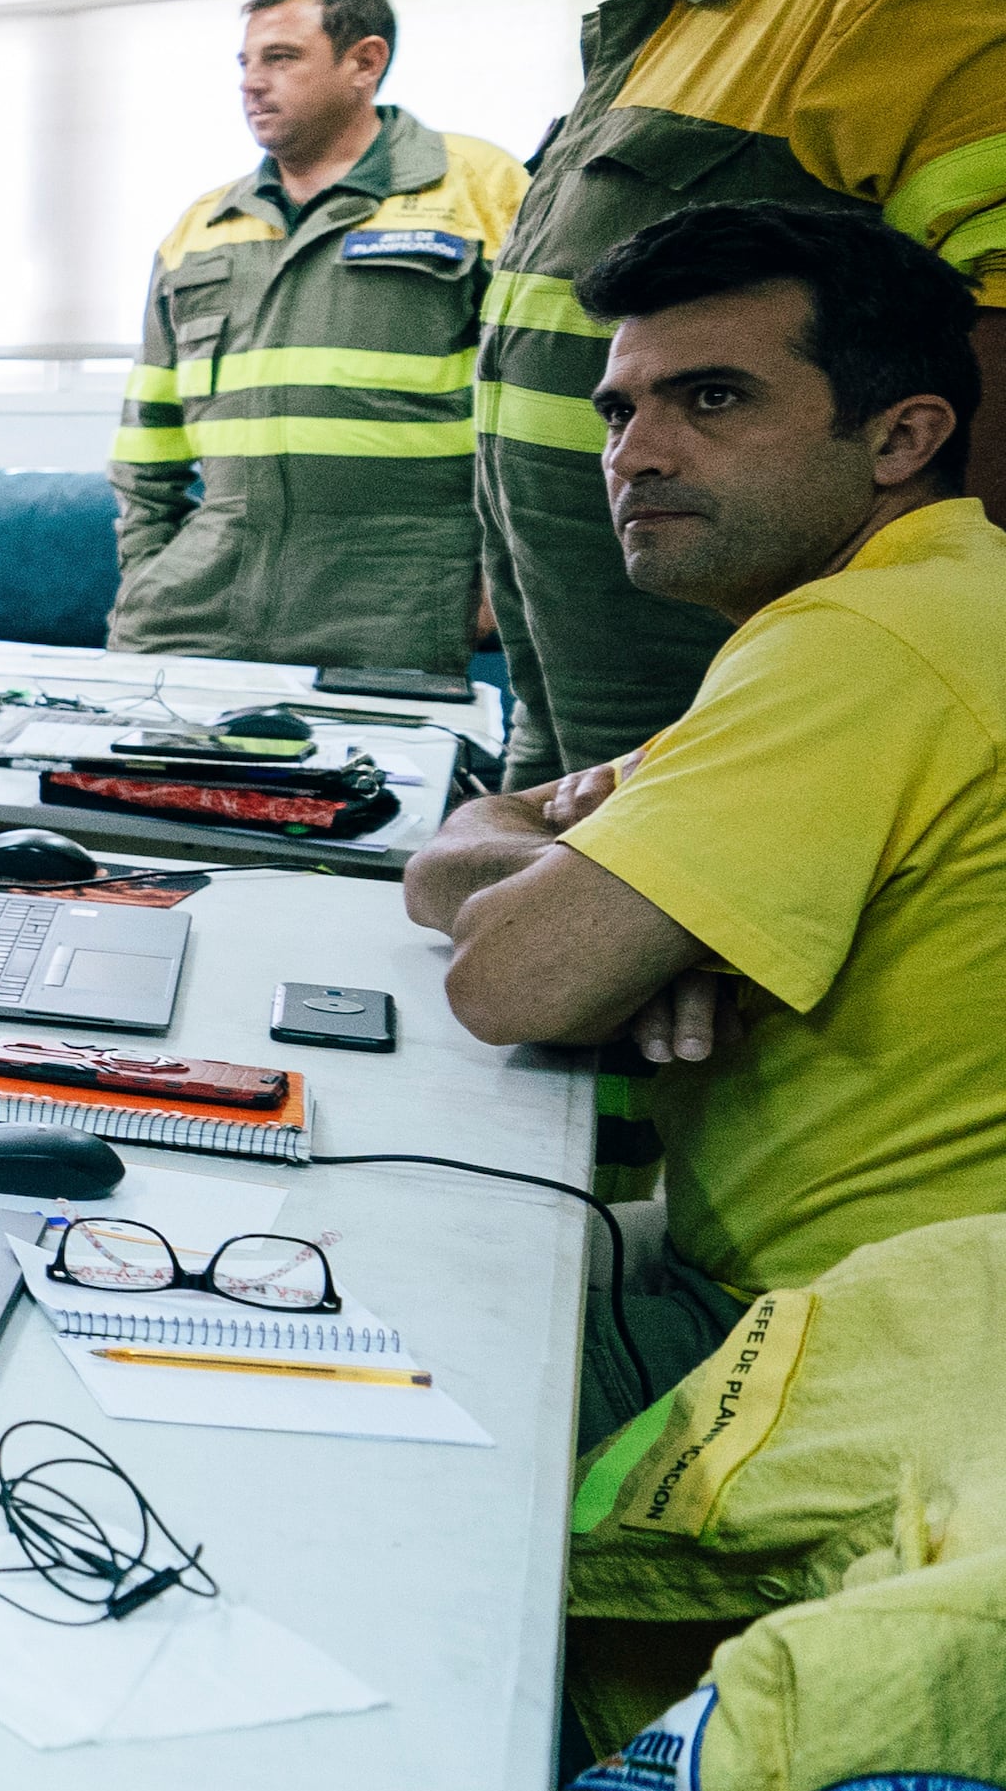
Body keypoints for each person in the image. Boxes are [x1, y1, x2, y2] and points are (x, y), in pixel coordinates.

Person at [403, 203, 1001, 1326]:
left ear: (897, 438)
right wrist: (621, 916)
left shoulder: (867, 643)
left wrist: (582, 915)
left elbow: (509, 977)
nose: (634, 455)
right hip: (825, 1282)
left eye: (711, 399)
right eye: (617, 412)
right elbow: (459, 850)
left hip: (843, 1340)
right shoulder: (928, 597)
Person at [473, 0, 1006, 785]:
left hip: (748, 695)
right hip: (581, 672)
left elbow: (997, 332)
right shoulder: (693, 12)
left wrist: (908, 687)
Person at [113, 0, 524, 673]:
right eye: (245, 63)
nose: (252, 83)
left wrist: (506, 572)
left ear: (365, 62)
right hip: (196, 603)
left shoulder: (479, 188)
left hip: (394, 599)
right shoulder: (202, 226)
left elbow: (538, 401)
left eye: (281, 58)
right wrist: (147, 570)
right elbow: (148, 435)